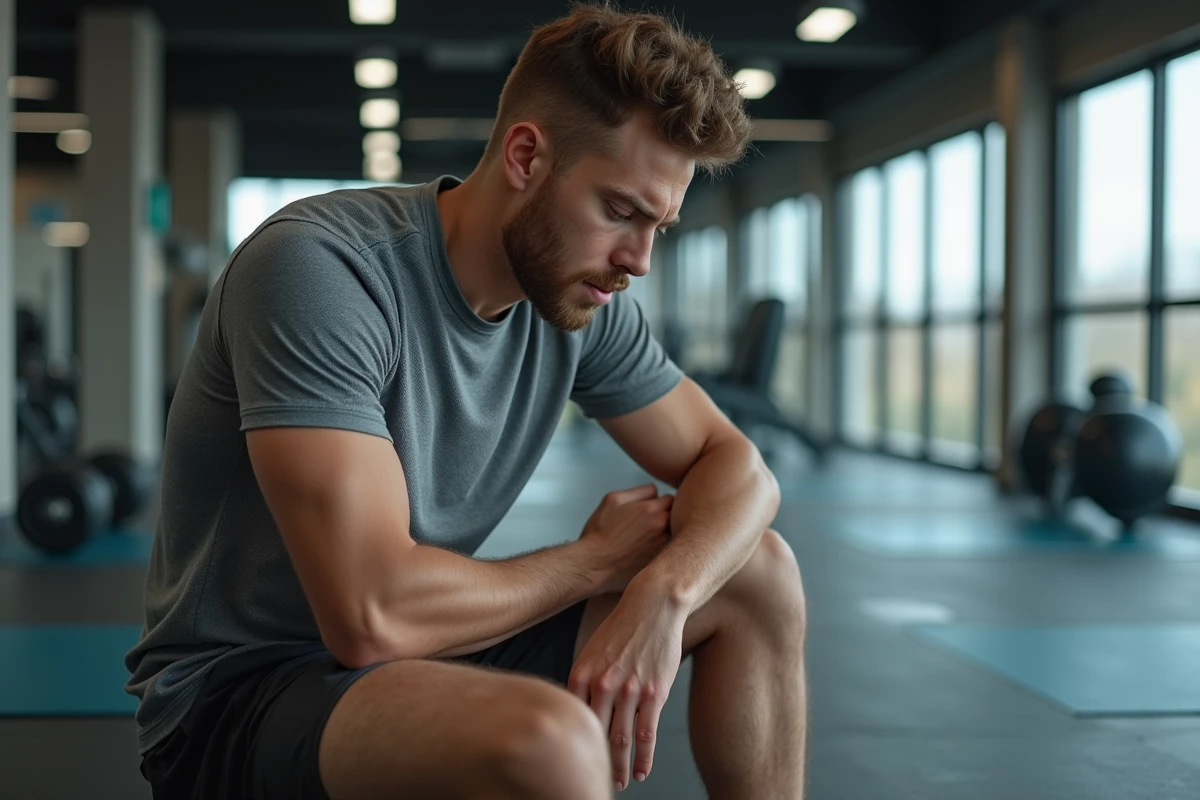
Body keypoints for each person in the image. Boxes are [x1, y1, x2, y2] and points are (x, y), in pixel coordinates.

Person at [125, 4, 807, 799]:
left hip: (419, 653)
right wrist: (594, 563)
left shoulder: (580, 300)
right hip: (242, 696)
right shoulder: (322, 270)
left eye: (659, 225)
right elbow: (371, 615)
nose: (638, 261)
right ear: (526, 156)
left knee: (757, 574)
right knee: (550, 747)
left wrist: (665, 592)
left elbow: (739, 467)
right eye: (620, 211)